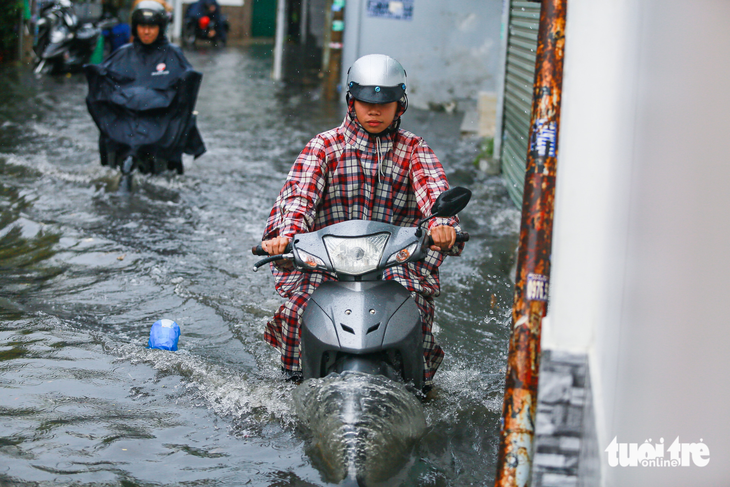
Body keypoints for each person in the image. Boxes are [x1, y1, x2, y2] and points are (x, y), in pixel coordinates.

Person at [260, 54, 464, 389]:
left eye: (385, 104)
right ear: (351, 102)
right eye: (366, 102)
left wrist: (444, 227)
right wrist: (288, 237)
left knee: (416, 309)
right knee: (298, 309)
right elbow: (300, 198)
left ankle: (421, 388)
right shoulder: (324, 147)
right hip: (327, 263)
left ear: (400, 106)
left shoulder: (414, 149)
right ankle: (292, 383)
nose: (374, 111)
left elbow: (433, 189)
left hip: (394, 263)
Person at [84, 0, 205, 177]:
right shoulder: (123, 54)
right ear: (135, 27)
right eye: (141, 26)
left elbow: (185, 92)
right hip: (126, 129)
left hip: (160, 128)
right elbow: (103, 87)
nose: (146, 31)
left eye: (152, 26)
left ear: (161, 27)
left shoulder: (173, 55)